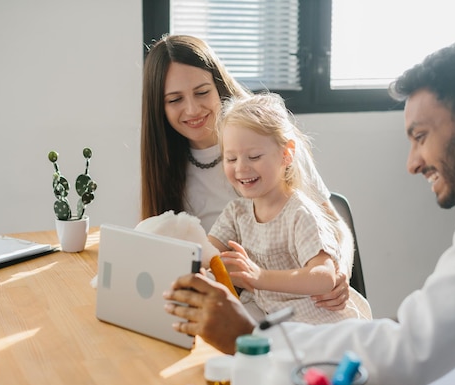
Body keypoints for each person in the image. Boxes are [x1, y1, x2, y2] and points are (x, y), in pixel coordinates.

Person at [163, 38, 455, 385]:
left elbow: (416, 346)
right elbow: (447, 340)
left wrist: (252, 338)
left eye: (421, 135)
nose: (412, 163)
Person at [140, 34, 350, 310]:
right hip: (234, 303)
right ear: (160, 107)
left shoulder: (267, 135)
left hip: (302, 297)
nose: (192, 109)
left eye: (202, 92)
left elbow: (333, 225)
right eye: (175, 99)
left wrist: (339, 272)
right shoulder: (169, 168)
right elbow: (200, 253)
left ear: (218, 87)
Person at [208, 92, 372, 324]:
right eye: (231, 159)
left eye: (253, 156)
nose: (241, 168)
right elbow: (205, 253)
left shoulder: (300, 213)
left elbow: (323, 277)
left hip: (317, 323)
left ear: (286, 154)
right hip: (272, 316)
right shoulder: (236, 213)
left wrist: (260, 277)